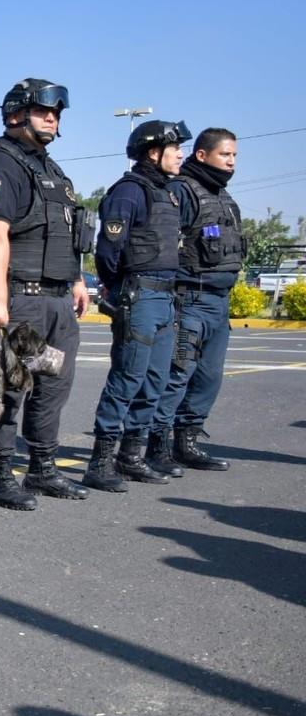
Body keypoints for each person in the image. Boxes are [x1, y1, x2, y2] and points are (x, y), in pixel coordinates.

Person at [0, 79, 92, 511]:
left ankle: (43, 468)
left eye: (56, 113)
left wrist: (76, 280)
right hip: (20, 297)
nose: (52, 118)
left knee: (53, 386)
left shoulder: (52, 171)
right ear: (16, 113)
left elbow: (68, 235)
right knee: (7, 389)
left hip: (56, 299)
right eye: (43, 110)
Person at [82, 120, 191, 492]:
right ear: (153, 152)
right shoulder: (128, 192)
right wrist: (118, 289)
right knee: (127, 378)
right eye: (175, 148)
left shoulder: (169, 192)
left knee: (155, 380)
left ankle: (131, 456)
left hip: (165, 297)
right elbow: (108, 251)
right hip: (139, 295)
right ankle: (100, 462)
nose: (180, 155)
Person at [146, 129, 242, 474]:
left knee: (208, 377)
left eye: (234, 156)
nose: (231, 162)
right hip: (190, 299)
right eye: (225, 155)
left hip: (219, 301)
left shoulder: (223, 197)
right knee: (177, 374)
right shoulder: (181, 191)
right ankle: (156, 446)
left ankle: (186, 441)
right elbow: (162, 246)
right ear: (201, 155)